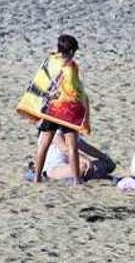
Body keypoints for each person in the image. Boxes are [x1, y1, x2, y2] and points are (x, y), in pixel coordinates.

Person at [31, 35, 91, 184]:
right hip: (66, 112)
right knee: (72, 146)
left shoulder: (51, 62)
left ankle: (37, 177)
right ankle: (77, 180)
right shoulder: (71, 68)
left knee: (44, 144)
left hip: (51, 109)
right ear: (70, 51)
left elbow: (43, 79)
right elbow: (75, 90)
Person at [28, 130, 115, 182]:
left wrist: (104, 157)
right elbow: (64, 149)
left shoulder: (69, 128)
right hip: (54, 167)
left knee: (107, 164)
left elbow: (85, 147)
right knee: (82, 166)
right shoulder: (53, 129)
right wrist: (85, 160)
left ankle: (90, 175)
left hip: (69, 165)